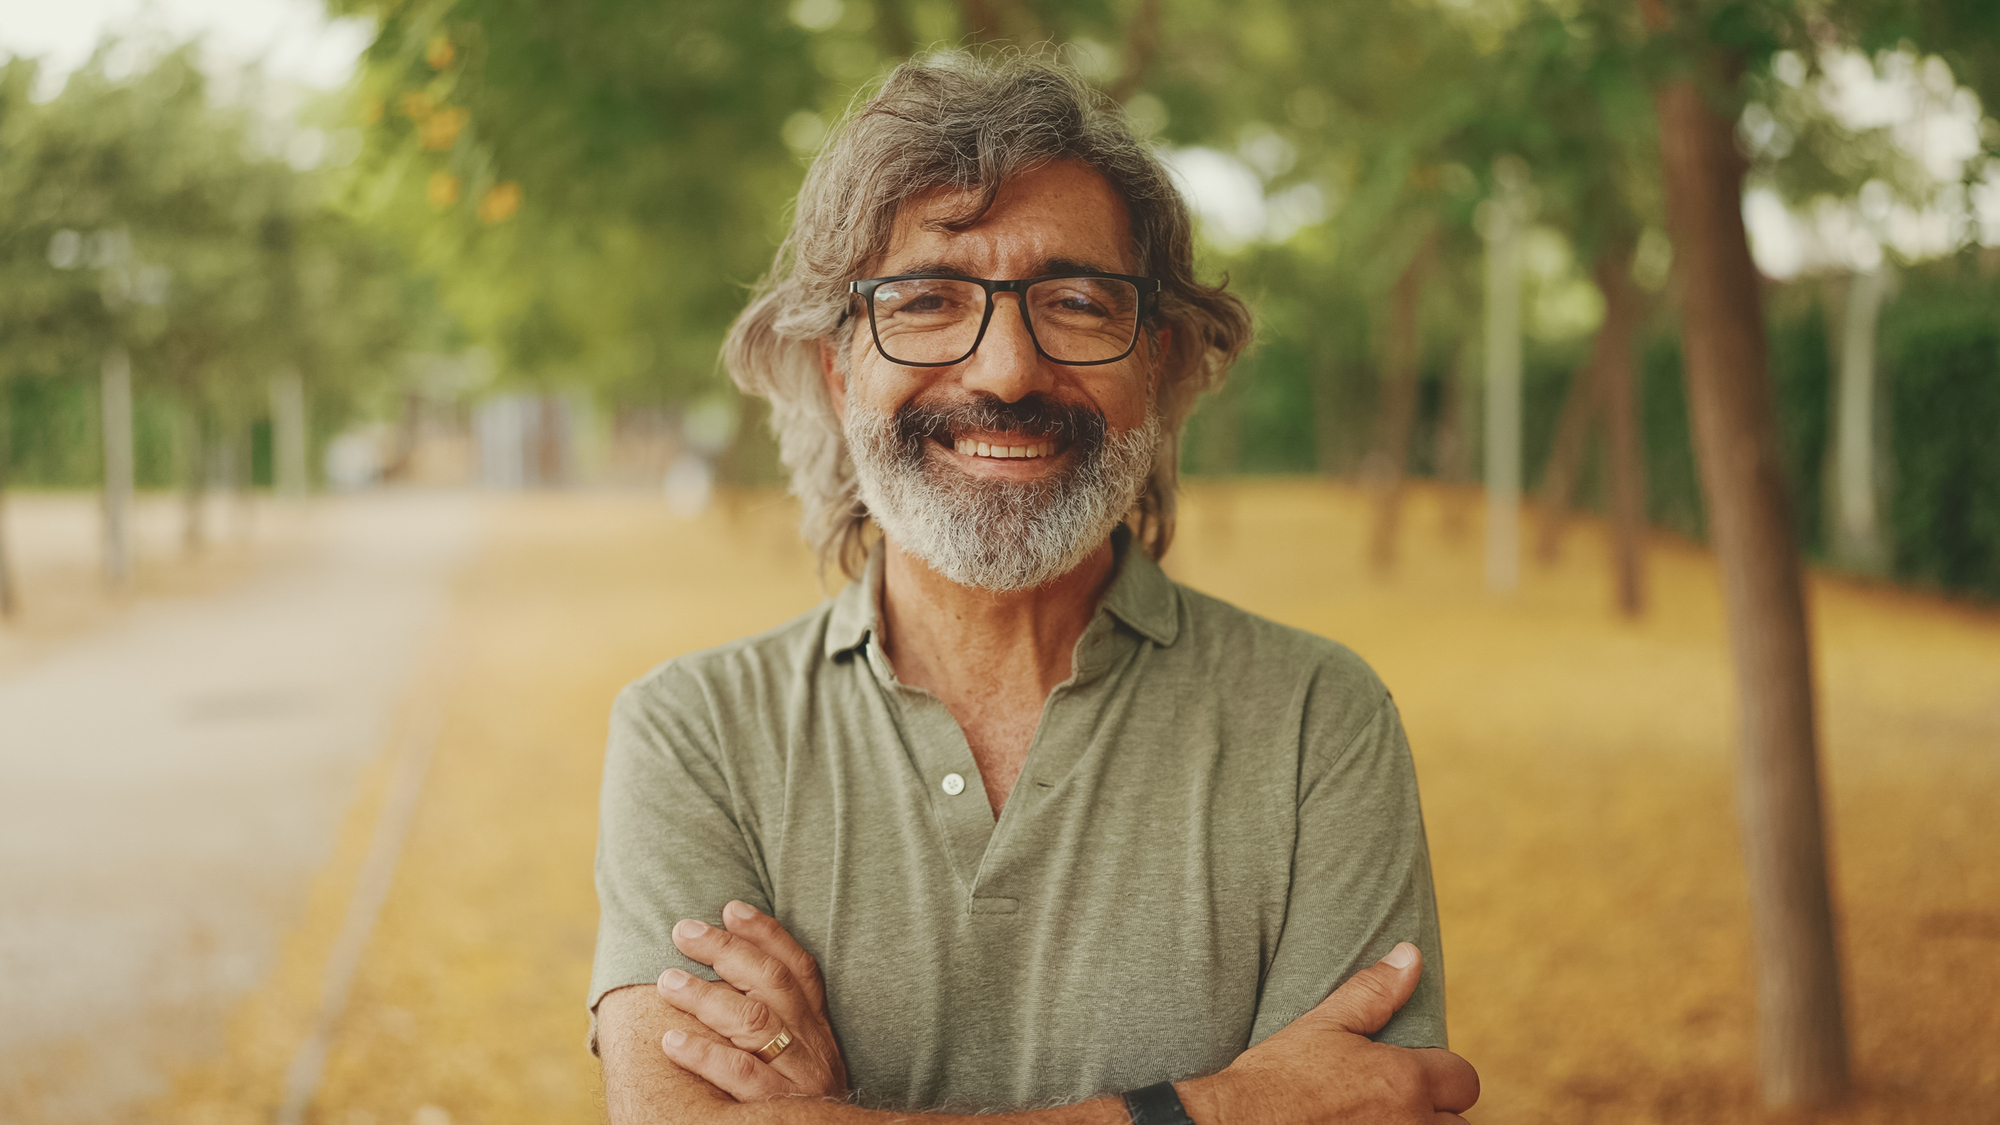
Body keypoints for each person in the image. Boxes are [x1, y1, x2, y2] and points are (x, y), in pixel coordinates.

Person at [591, 51, 1479, 1125]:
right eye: (924, 299)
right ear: (837, 370)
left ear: (1152, 360)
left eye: (1075, 300)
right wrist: (1216, 1109)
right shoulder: (693, 735)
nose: (1005, 370)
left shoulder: (1314, 722)